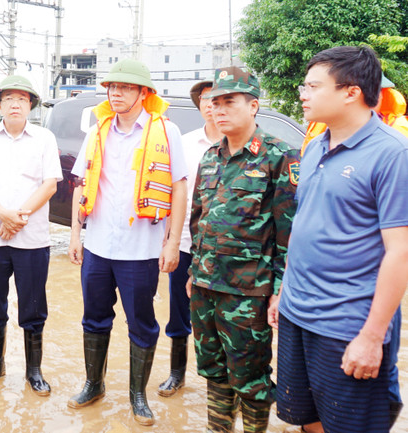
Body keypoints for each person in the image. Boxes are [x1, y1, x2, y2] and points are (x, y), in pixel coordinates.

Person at [271, 46, 408, 433]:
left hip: (347, 324)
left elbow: (401, 253)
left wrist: (371, 337)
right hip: (298, 315)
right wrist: (284, 292)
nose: (302, 94)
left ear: (351, 91)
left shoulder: (393, 154)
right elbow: (306, 226)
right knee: (307, 419)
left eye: (313, 86)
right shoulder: (314, 146)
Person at [67, 58, 187, 426]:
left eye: (125, 87)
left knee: (142, 322)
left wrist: (172, 242)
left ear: (143, 93)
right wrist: (75, 233)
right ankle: (94, 383)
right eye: (111, 88)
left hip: (142, 249)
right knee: (94, 317)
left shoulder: (166, 132)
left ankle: (138, 394)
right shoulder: (97, 132)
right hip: (99, 247)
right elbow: (79, 183)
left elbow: (180, 187)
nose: (115, 93)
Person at [187, 66, 299, 433]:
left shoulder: (278, 157)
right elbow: (198, 219)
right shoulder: (209, 157)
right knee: (214, 371)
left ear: (253, 106)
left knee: (250, 379)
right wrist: (193, 274)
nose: (219, 109)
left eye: (229, 101)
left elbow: (289, 234)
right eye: (214, 102)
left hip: (248, 293)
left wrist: (280, 292)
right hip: (205, 286)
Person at [0, 75, 62, 396]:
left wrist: (17, 217)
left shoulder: (45, 138)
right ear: (0, 105)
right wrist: (3, 215)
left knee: (33, 306)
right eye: (9, 98)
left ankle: (34, 371)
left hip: (32, 240)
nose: (16, 103)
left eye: (22, 98)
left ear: (31, 104)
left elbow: (50, 185)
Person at [157, 79, 222, 398]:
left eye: (220, 98)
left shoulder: (247, 145)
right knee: (180, 311)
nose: (212, 104)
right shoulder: (184, 143)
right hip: (185, 242)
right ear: (199, 105)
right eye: (206, 99)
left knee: (225, 318)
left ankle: (222, 385)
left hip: (228, 250)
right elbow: (172, 193)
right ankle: (176, 374)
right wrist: (168, 239)